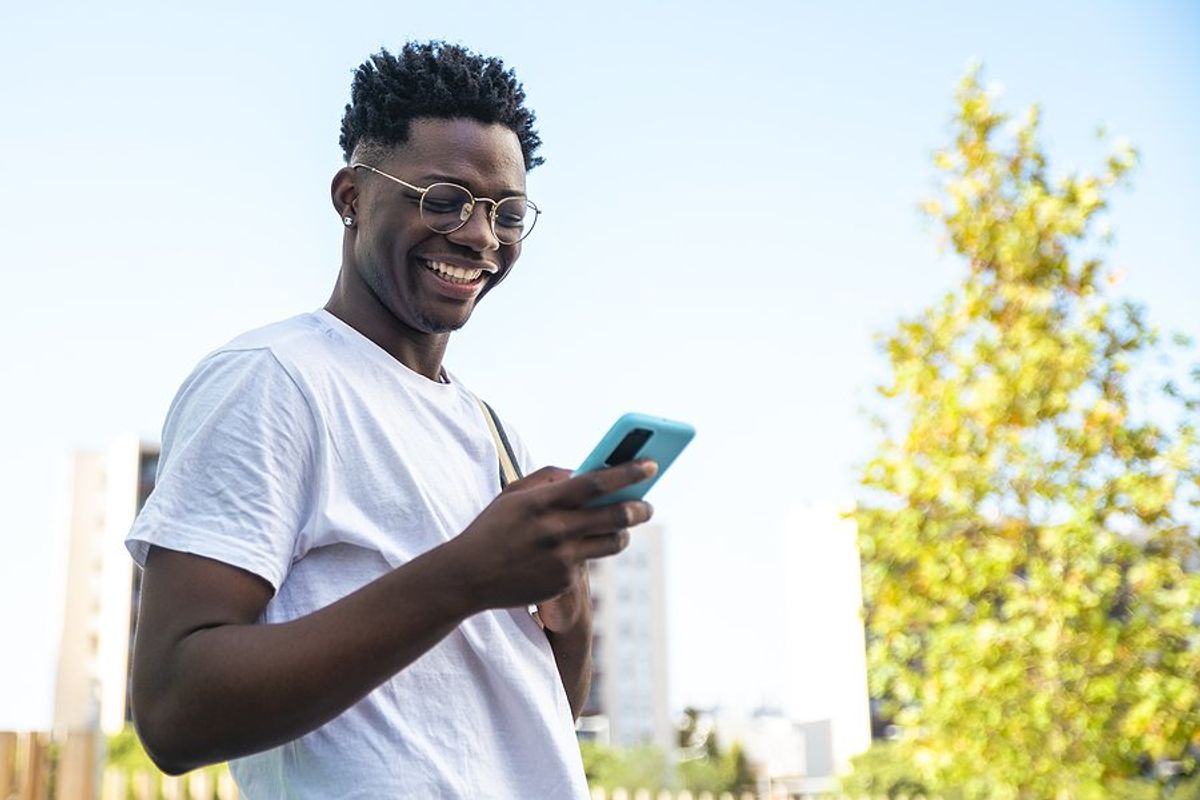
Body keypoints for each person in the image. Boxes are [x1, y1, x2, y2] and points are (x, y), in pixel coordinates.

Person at [126, 41, 656, 799]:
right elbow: (177, 714)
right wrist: (466, 575)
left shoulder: (492, 430)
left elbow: (531, 718)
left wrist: (568, 608)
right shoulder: (274, 379)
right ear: (350, 196)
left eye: (508, 214)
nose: (480, 236)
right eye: (444, 199)